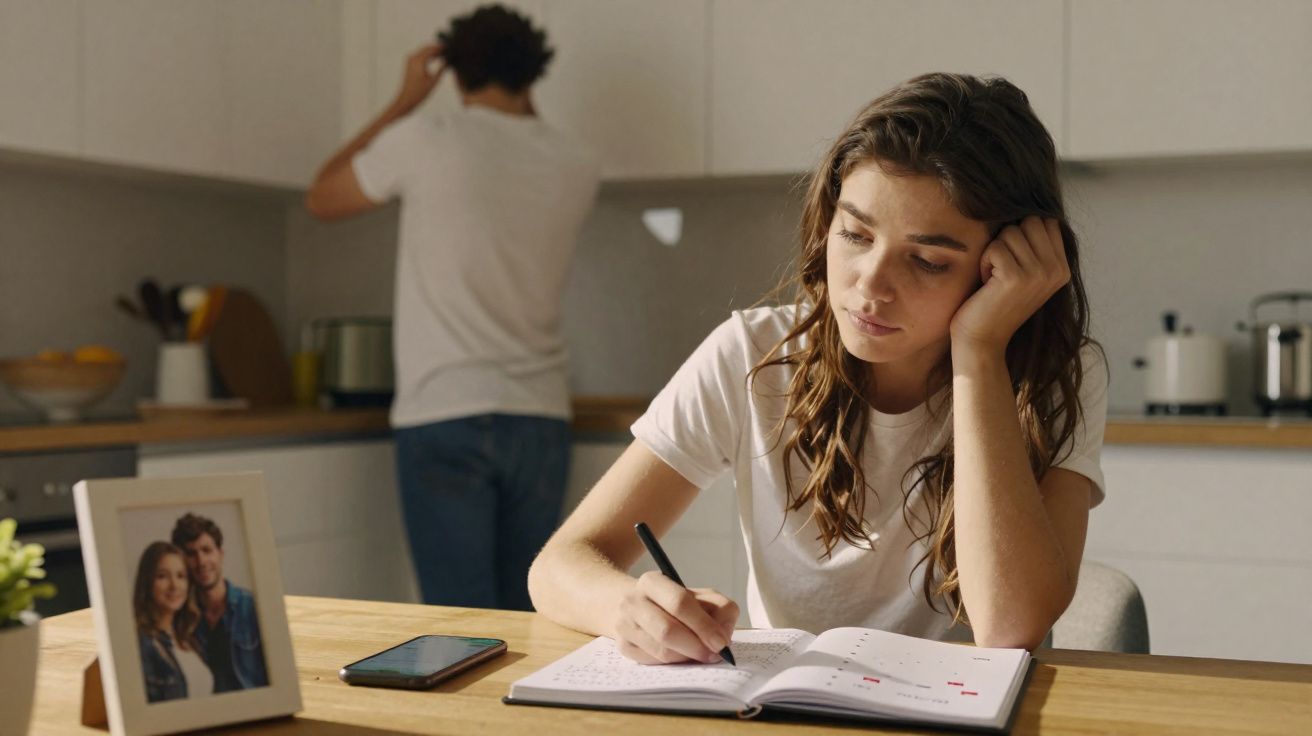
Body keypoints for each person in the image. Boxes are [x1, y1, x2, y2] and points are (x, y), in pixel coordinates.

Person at [528, 72, 1109, 664]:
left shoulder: (1061, 373)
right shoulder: (755, 354)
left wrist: (980, 351)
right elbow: (561, 563)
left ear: (1003, 268)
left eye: (929, 261)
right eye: (855, 234)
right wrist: (628, 608)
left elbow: (1009, 628)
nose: (870, 285)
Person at [305, 5, 600, 611]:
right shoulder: (576, 164)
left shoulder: (422, 139)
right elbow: (526, 131)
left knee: (456, 622)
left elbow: (321, 197)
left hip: (444, 412)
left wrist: (405, 98)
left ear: (455, 72)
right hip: (540, 417)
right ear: (532, 72)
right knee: (532, 616)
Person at [171, 513, 268, 691]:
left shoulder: (253, 607)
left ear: (220, 554)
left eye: (207, 550)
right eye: (191, 554)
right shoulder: (179, 619)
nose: (201, 561)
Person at [133, 541, 213, 703]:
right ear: (147, 582)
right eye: (162, 576)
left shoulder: (189, 639)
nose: (174, 585)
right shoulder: (142, 645)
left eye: (181, 576)